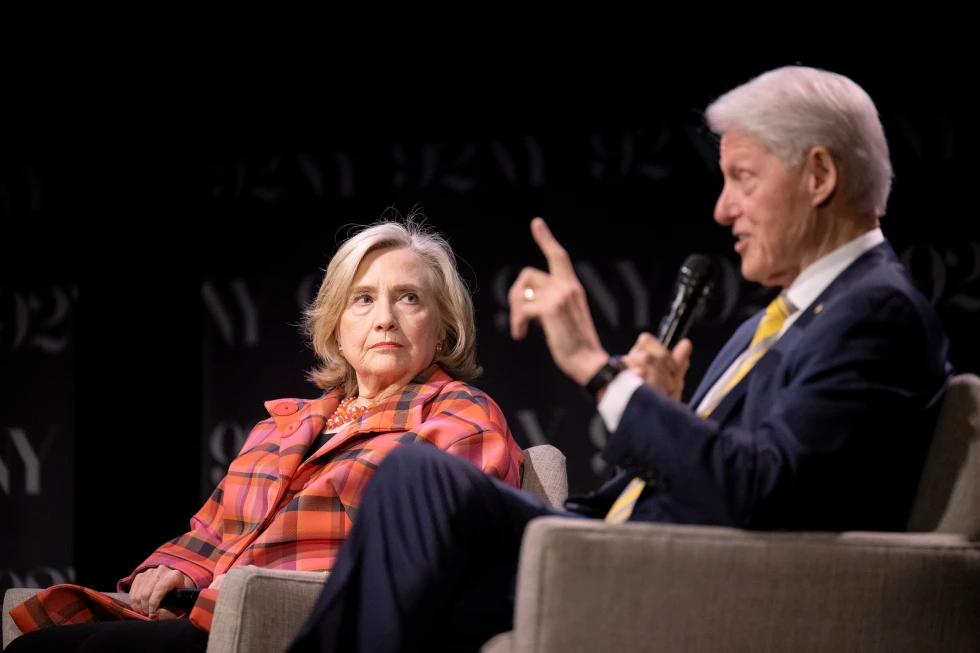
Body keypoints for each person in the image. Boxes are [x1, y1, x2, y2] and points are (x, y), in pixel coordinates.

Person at [283, 65, 954, 653]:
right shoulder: (781, 319)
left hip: (667, 571)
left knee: (417, 486)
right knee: (414, 501)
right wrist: (664, 412)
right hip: (614, 536)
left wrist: (598, 370)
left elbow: (761, 489)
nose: (723, 209)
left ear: (819, 176)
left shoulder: (875, 313)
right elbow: (728, 468)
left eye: (743, 179)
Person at [6, 215, 525, 653]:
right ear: (336, 326)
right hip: (211, 613)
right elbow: (213, 530)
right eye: (363, 299)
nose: (385, 318)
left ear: (443, 326)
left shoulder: (459, 413)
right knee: (35, 645)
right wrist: (176, 569)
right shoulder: (282, 426)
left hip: (300, 621)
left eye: (408, 298)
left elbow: (440, 554)